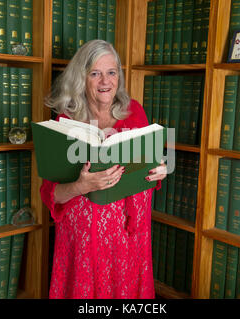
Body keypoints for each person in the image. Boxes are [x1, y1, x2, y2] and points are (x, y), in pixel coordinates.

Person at [41, 39, 167, 299]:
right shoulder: (65, 120)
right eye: (95, 73)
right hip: (83, 241)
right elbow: (51, 195)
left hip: (127, 238)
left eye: (111, 72)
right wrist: (81, 186)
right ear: (81, 78)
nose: (105, 82)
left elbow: (149, 167)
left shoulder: (135, 113)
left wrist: (160, 170)